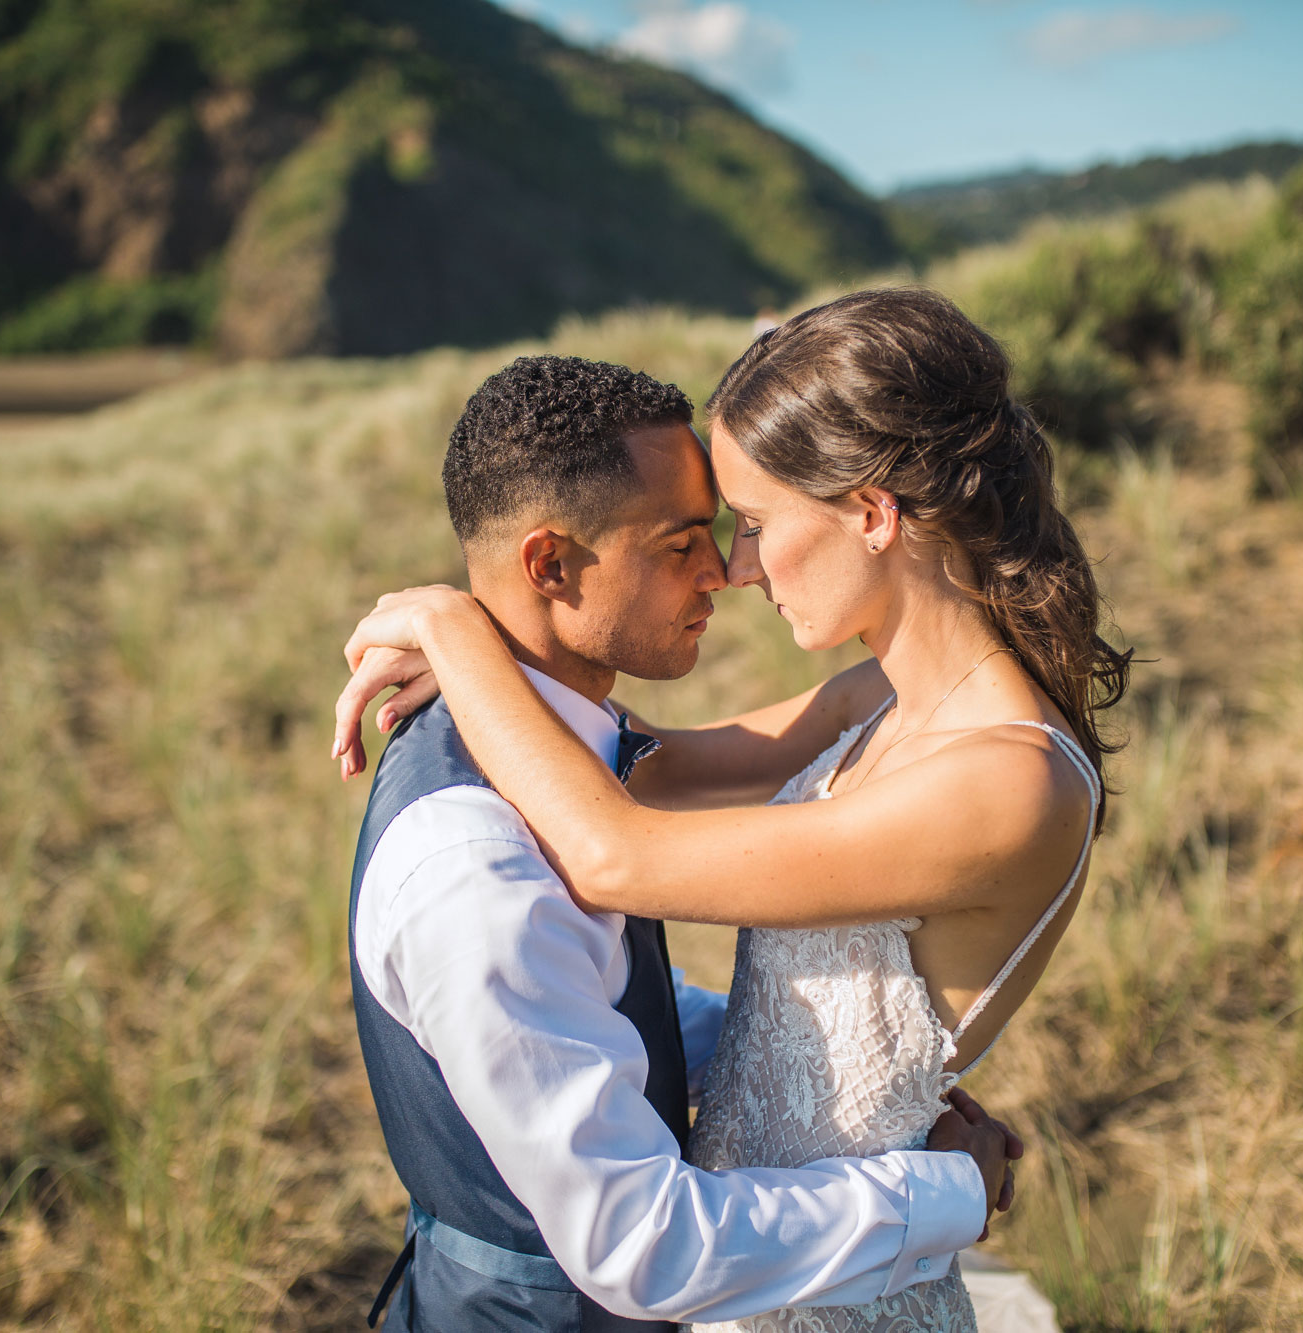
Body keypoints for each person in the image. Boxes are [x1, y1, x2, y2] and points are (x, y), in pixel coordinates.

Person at [334, 288, 1130, 1332]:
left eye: (750, 525)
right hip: (758, 1258)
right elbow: (642, 770)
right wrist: (484, 649)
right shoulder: (882, 697)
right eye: (708, 533)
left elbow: (615, 847)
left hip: (819, 1280)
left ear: (873, 513)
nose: (735, 567)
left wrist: (451, 624)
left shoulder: (1002, 779)